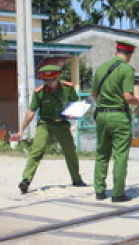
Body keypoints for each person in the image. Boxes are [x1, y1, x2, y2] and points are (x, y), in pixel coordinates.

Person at [92, 40, 139, 202]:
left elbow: (94, 95)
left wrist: (105, 105)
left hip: (102, 115)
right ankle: (118, 193)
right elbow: (128, 97)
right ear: (130, 55)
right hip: (119, 117)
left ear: (116, 51)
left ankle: (99, 190)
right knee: (120, 155)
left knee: (102, 153)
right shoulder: (126, 69)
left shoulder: (102, 68)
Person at [15, 64, 86, 194]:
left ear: (57, 77)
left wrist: (74, 114)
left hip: (62, 124)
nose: (49, 83)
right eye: (46, 81)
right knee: (37, 151)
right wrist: (21, 130)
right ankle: (26, 180)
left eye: (52, 80)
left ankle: (76, 179)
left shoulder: (67, 88)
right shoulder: (39, 92)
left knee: (70, 151)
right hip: (45, 124)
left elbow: (76, 105)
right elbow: (31, 112)